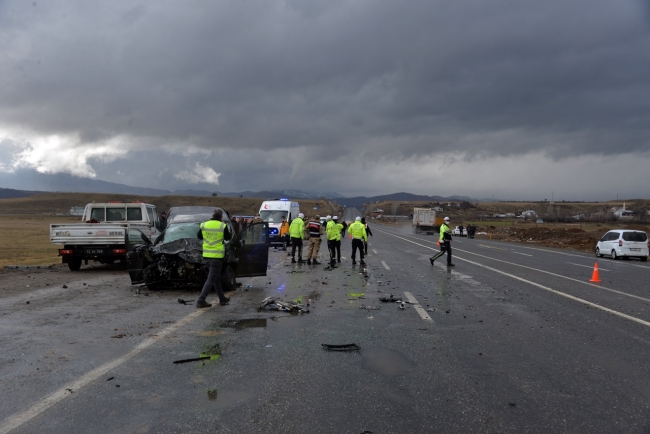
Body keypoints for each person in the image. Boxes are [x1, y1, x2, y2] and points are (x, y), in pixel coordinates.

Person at [196, 209, 232, 308]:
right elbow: (228, 238)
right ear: (221, 217)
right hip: (217, 257)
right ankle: (201, 300)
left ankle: (222, 298)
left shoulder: (204, 225)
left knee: (216, 278)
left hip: (207, 256)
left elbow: (199, 236)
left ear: (212, 215)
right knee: (212, 278)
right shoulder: (222, 226)